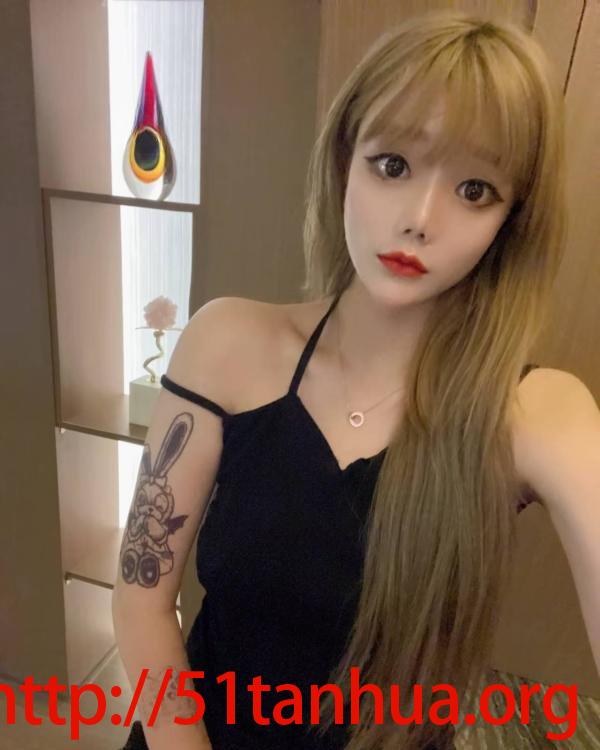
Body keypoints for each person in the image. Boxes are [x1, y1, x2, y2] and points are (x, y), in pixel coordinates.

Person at [113, 8, 586, 750]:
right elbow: (142, 597)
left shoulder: (532, 411)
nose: (420, 219)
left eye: (475, 190)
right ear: (343, 162)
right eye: (392, 165)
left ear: (511, 222)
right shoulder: (226, 345)